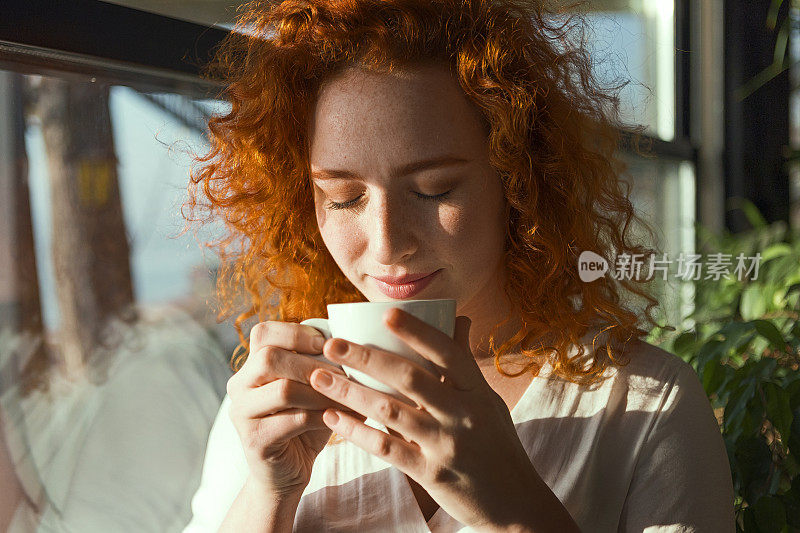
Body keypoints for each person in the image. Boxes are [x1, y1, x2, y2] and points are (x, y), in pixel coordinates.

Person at [182, 0, 736, 531]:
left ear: (518, 180)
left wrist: (514, 512)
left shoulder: (644, 403)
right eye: (344, 198)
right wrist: (270, 494)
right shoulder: (278, 400)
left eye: (433, 190)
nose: (387, 243)